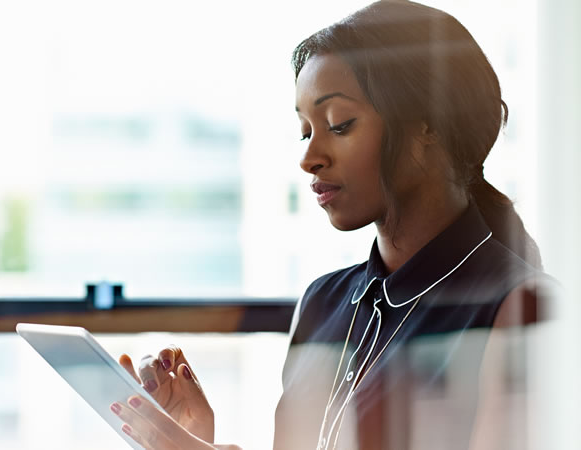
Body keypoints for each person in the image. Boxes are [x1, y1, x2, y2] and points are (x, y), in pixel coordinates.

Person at [108, 1, 553, 448]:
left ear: (429, 126)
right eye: (306, 131)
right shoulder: (322, 303)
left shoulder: (527, 310)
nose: (308, 158)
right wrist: (196, 438)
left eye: (338, 124)